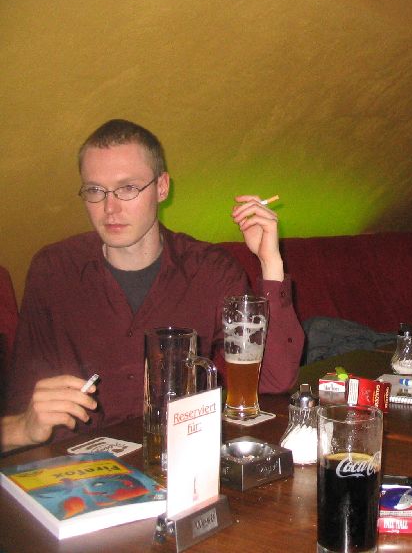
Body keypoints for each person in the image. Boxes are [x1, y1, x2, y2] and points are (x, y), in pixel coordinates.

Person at [1, 119, 304, 452]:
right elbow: (20, 401)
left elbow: (273, 381)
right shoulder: (54, 271)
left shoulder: (210, 270)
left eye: (128, 188)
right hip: (76, 470)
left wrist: (270, 263)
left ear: (162, 187)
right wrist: (25, 426)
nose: (110, 208)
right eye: (95, 191)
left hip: (177, 460)